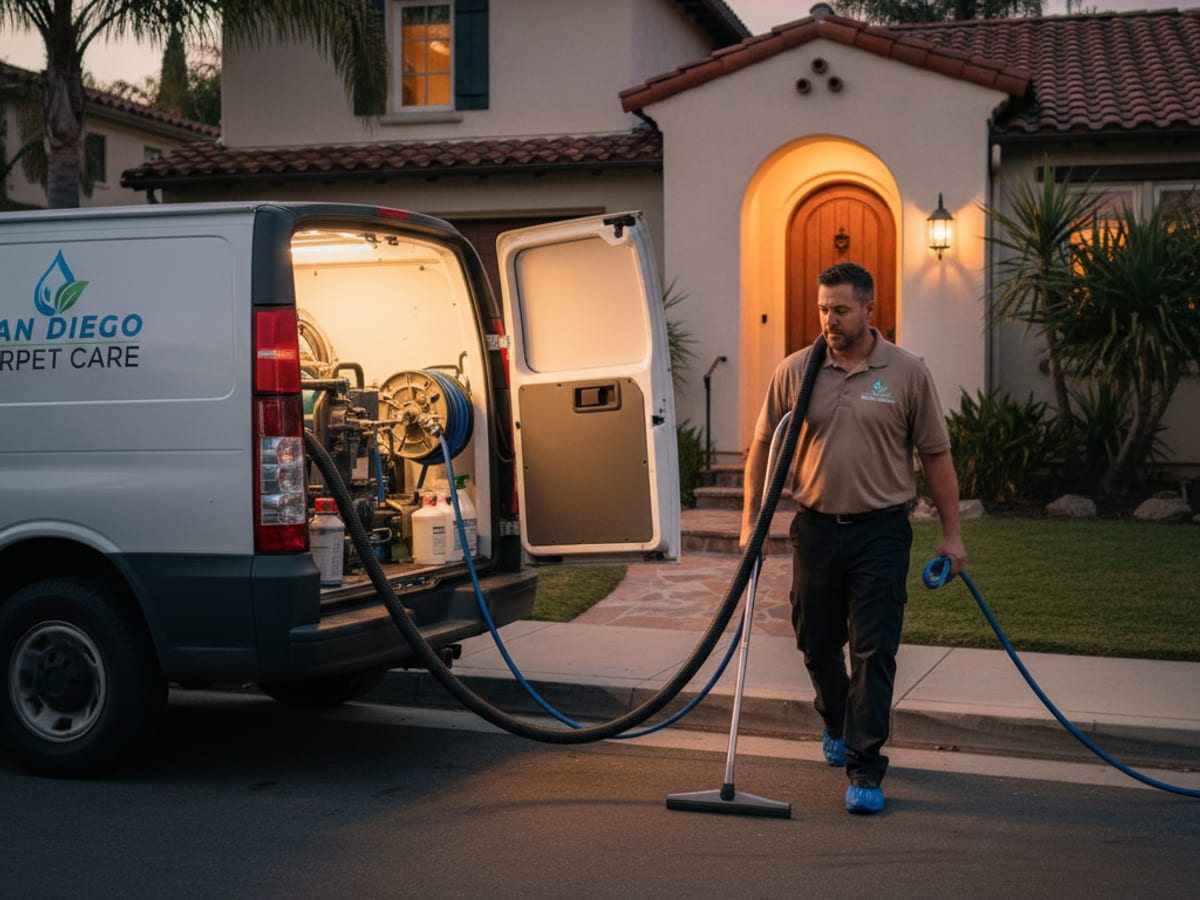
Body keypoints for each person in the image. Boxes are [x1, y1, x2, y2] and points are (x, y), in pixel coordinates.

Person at [739, 261, 966, 815]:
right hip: (815, 528)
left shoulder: (907, 373)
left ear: (870, 309)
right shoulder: (797, 370)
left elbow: (935, 455)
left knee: (873, 648)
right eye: (822, 310)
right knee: (815, 641)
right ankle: (837, 718)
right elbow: (762, 444)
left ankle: (865, 766)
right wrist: (750, 524)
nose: (829, 321)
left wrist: (952, 537)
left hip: (882, 531)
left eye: (840, 310)